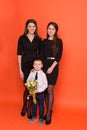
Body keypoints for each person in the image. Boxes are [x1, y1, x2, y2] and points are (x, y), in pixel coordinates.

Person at [17, 19, 41, 119]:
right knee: (27, 87)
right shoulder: (22, 38)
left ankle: (30, 108)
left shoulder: (39, 39)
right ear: (27, 27)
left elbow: (40, 55)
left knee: (33, 88)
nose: (32, 28)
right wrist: (20, 69)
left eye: (34, 26)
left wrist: (38, 68)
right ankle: (24, 106)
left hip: (35, 67)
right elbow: (19, 54)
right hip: (25, 66)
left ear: (36, 28)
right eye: (30, 26)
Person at [40, 22, 63, 124]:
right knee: (44, 91)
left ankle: (48, 113)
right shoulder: (43, 41)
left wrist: (52, 67)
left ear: (56, 31)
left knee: (50, 90)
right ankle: (48, 110)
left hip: (53, 67)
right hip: (44, 67)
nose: (50, 30)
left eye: (53, 29)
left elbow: (59, 57)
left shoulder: (59, 41)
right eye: (49, 28)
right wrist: (39, 68)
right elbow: (41, 56)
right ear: (47, 29)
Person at [26, 57, 48, 125]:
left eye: (39, 64)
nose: (37, 66)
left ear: (42, 65)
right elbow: (28, 81)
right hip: (33, 93)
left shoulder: (43, 74)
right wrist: (30, 89)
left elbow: (45, 84)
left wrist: (38, 90)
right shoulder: (31, 73)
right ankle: (34, 116)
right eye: (35, 64)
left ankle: (41, 118)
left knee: (41, 106)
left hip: (40, 93)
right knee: (33, 105)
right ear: (33, 65)